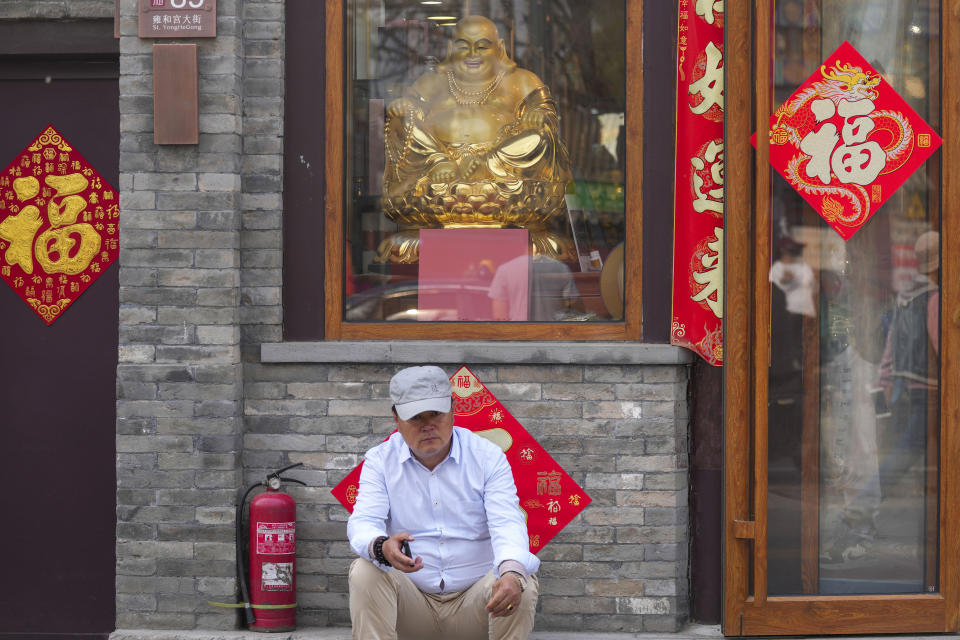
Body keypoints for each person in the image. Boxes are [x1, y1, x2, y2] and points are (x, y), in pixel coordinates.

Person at [347, 365, 539, 640]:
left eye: (435, 414)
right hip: (411, 606)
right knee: (365, 570)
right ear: (396, 419)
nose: (428, 426)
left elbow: (506, 521)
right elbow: (364, 521)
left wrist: (511, 572)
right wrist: (381, 546)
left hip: (477, 606)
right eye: (415, 417)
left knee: (520, 579)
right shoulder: (380, 460)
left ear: (452, 409)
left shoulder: (487, 456)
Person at [383, 15, 571, 202]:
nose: (473, 54)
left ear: (499, 48)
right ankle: (437, 163)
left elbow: (546, 111)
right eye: (464, 46)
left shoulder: (521, 80)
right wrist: (406, 107)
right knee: (400, 120)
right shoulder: (432, 83)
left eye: (482, 46)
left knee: (542, 138)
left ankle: (486, 166)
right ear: (451, 49)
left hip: (504, 163)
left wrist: (537, 114)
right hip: (436, 159)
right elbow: (412, 109)